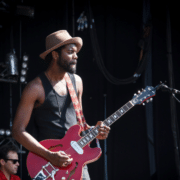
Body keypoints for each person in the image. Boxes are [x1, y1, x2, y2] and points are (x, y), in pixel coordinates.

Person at [12, 30, 110, 180]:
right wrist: (50, 155)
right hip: (50, 167)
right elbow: (18, 131)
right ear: (55, 55)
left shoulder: (77, 82)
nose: (76, 56)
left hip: (78, 166)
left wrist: (95, 131)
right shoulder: (35, 88)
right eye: (70, 52)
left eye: (76, 52)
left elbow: (80, 125)